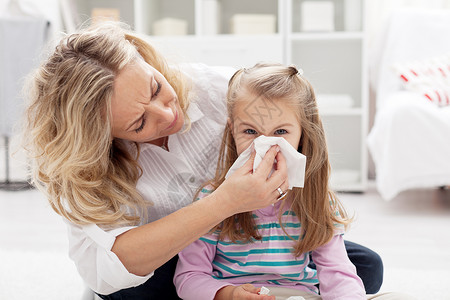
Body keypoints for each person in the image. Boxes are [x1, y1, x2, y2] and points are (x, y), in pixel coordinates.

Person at [21, 22, 382, 299]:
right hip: (167, 257)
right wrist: (223, 203)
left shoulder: (222, 92)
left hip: (245, 241)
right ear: (102, 136)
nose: (167, 114)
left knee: (365, 267)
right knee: (134, 291)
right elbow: (107, 270)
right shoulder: (82, 167)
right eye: (139, 123)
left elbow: (295, 125)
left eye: (156, 88)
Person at [174, 63, 413, 300]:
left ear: (302, 134)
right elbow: (189, 278)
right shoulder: (212, 199)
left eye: (280, 132)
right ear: (232, 130)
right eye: (250, 132)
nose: (265, 146)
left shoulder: (315, 201)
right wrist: (229, 294)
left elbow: (338, 274)